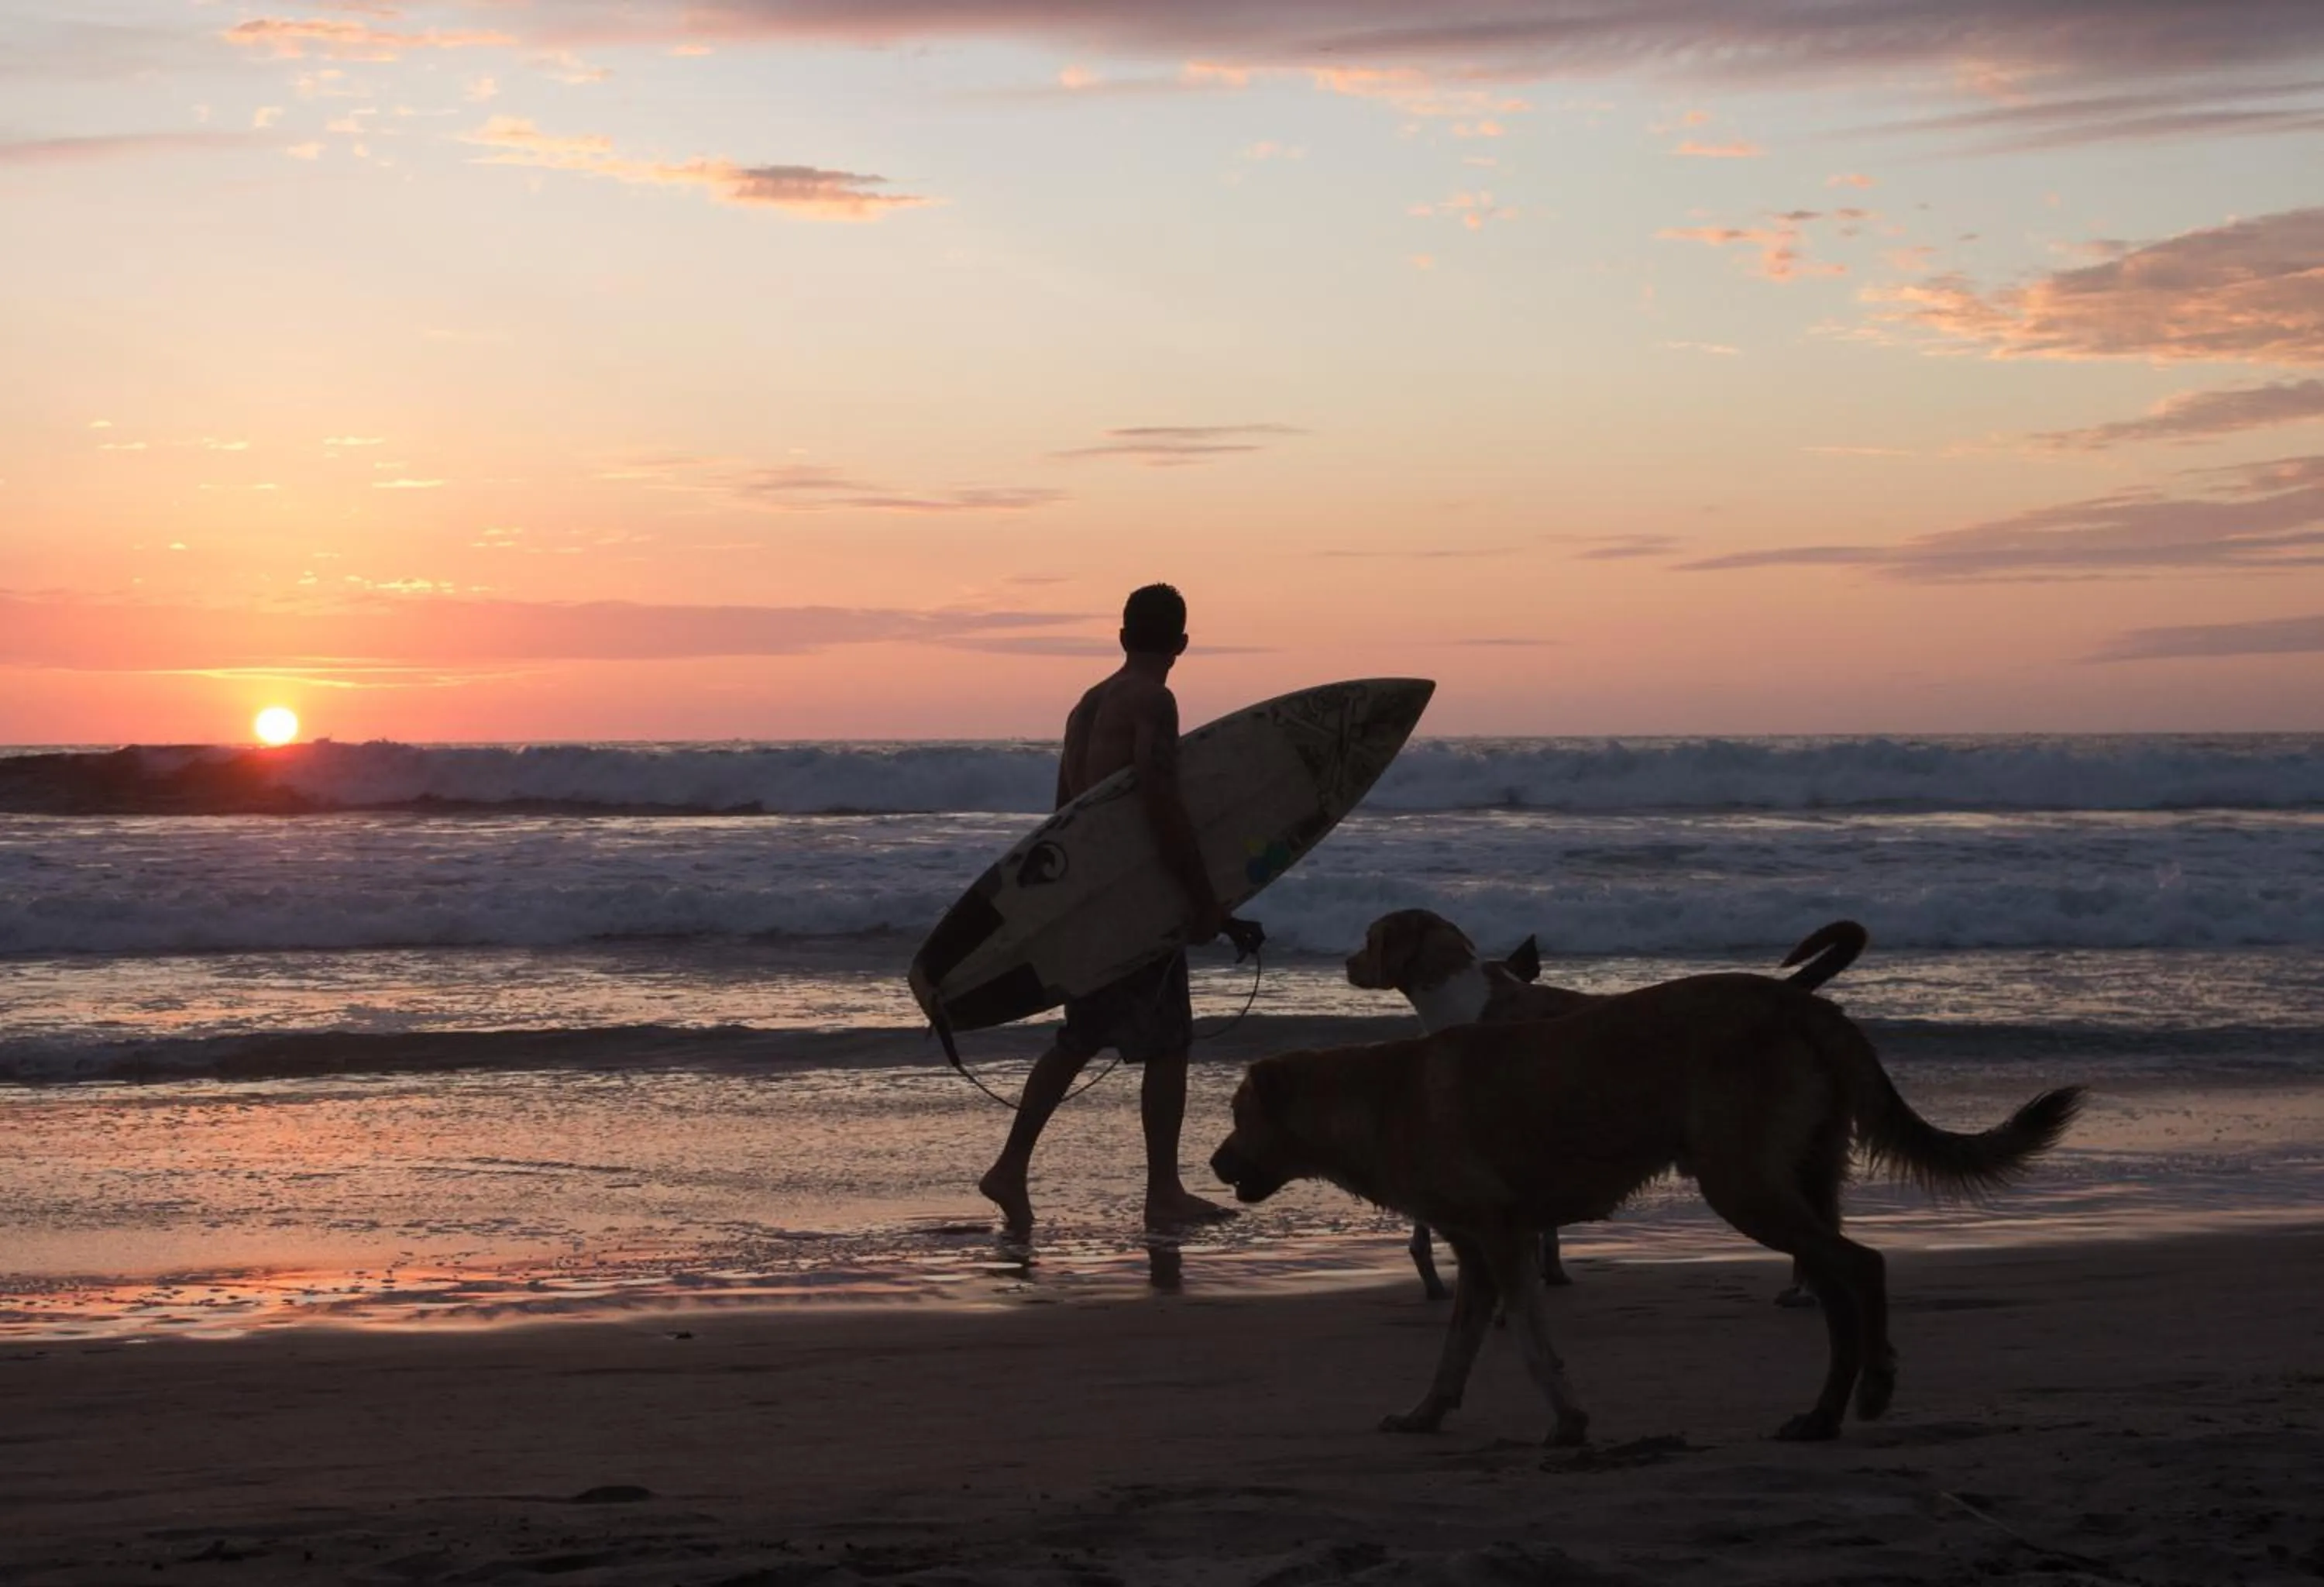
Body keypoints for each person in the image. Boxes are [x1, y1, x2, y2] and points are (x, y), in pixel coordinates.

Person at [977, 583, 1245, 1237]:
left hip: (1092, 898)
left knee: (1080, 1037)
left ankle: (1010, 1168)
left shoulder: (1087, 706)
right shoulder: (1155, 699)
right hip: (1136, 902)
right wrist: (1200, 897)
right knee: (1169, 1043)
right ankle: (1163, 1194)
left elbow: (1065, 814)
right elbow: (1159, 798)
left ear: (1121, 636)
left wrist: (1067, 905)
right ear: (1182, 642)